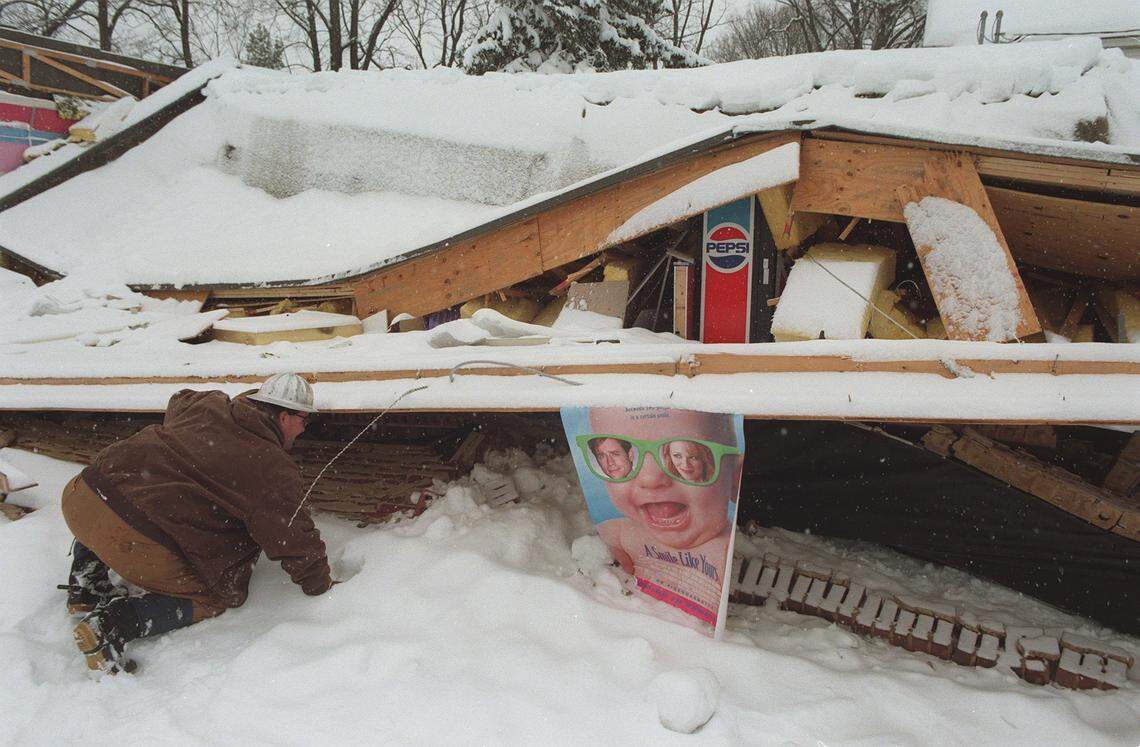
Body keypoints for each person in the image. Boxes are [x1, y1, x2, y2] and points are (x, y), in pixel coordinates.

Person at [59, 373, 332, 674]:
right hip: (130, 533)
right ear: (283, 416)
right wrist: (320, 584)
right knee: (211, 597)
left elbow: (179, 399)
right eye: (304, 421)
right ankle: (112, 624)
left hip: (81, 495)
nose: (304, 429)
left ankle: (85, 588)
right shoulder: (271, 466)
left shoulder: (207, 404)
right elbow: (290, 536)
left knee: (117, 495)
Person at [581, 408, 742, 625]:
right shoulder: (622, 531)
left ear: (734, 478)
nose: (650, 478)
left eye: (692, 454)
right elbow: (601, 548)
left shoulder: (725, 549)